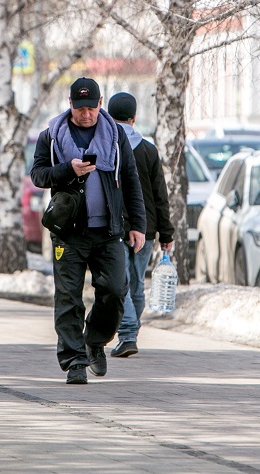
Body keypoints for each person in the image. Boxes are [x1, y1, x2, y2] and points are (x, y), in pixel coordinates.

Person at [30, 77, 146, 384]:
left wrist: (138, 225)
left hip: (108, 231)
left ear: (100, 103)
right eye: (79, 108)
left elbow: (131, 181)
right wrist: (69, 169)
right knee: (68, 298)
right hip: (69, 232)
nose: (86, 114)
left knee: (115, 291)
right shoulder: (52, 136)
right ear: (70, 105)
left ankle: (94, 340)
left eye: (91, 108)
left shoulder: (115, 135)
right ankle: (74, 361)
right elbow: (38, 175)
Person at [106, 92, 175, 358]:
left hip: (115, 226)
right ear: (134, 118)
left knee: (120, 282)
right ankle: (130, 335)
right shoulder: (148, 150)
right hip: (146, 228)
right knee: (135, 283)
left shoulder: (108, 147)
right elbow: (161, 195)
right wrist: (166, 232)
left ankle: (128, 332)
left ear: (109, 118)